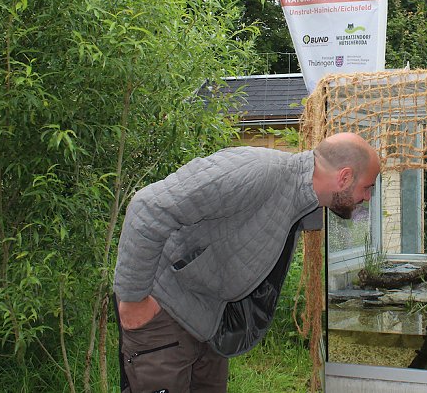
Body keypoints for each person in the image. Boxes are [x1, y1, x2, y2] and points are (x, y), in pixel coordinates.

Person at [113, 132, 380, 393]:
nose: (367, 198)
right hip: (164, 311)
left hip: (209, 322)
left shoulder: (303, 197)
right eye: (367, 187)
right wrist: (133, 300)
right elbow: (147, 207)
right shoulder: (256, 170)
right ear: (344, 177)